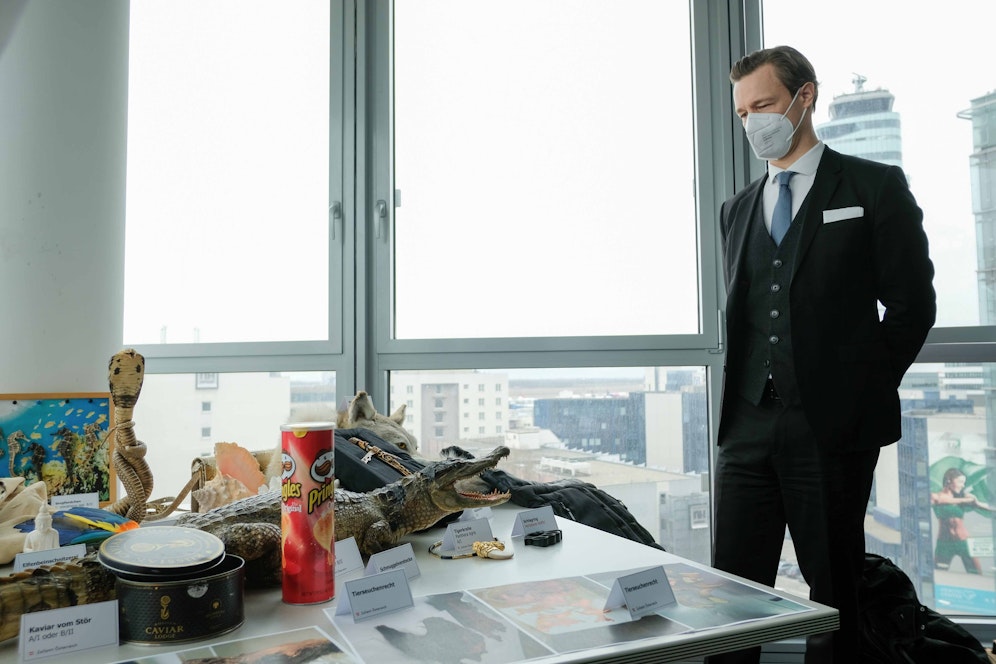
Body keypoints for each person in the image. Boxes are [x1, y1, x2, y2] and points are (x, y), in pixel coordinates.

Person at [708, 46, 936, 664]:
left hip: (831, 429)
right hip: (748, 428)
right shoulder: (736, 210)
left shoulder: (872, 186)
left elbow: (913, 308)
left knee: (834, 599)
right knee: (730, 597)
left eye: (764, 104)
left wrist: (857, 387)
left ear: (805, 97)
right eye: (742, 111)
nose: (754, 121)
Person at [932, 467, 993, 574]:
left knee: (976, 573)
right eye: (960, 481)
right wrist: (964, 500)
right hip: (944, 543)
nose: (962, 485)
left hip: (963, 541)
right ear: (949, 481)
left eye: (964, 482)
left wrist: (976, 502)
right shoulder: (936, 496)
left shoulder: (964, 497)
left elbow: (985, 507)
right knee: (938, 572)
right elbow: (940, 500)